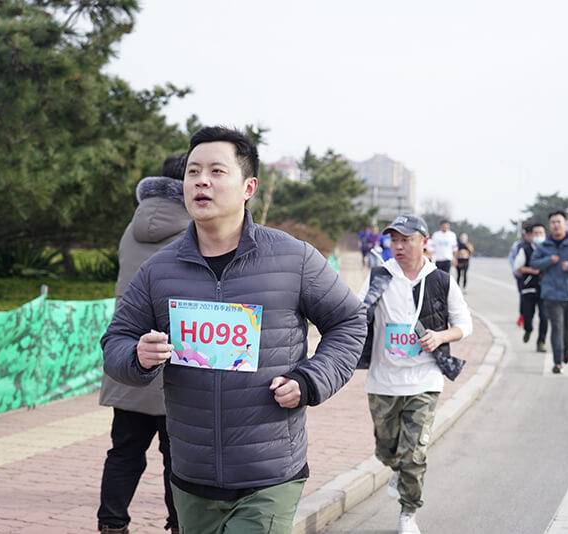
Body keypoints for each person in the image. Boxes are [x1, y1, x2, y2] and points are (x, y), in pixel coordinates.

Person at [101, 126, 366, 533]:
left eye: (216, 171)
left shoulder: (292, 259)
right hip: (191, 476)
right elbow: (115, 342)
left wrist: (311, 380)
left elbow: (349, 322)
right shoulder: (160, 269)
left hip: (269, 473)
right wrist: (136, 356)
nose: (201, 181)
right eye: (192, 172)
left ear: (249, 187)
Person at [357, 214, 472, 534]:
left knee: (415, 452)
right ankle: (398, 469)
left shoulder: (440, 280)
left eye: (406, 240)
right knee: (386, 450)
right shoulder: (380, 276)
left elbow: (466, 324)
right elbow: (355, 315)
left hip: (424, 378)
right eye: (394, 240)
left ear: (424, 241)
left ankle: (408, 513)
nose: (399, 246)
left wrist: (440, 337)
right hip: (383, 379)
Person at [97, 153, 191, 534]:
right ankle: (179, 524)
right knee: (179, 460)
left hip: (129, 357)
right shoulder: (194, 231)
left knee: (124, 452)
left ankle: (111, 524)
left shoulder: (130, 227)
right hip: (174, 360)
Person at [530, 210, 568, 374]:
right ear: (550, 226)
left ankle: (566, 349)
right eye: (553, 222)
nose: (556, 225)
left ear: (566, 224)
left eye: (559, 222)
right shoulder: (544, 246)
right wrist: (549, 260)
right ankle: (557, 362)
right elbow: (534, 263)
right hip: (551, 295)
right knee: (556, 328)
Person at [512, 223, 548, 353]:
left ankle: (541, 341)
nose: (538, 235)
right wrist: (532, 270)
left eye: (541, 233)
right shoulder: (525, 249)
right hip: (528, 288)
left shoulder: (548, 250)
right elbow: (517, 268)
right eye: (536, 233)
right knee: (528, 316)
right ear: (531, 235)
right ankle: (528, 330)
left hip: (545, 289)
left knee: (544, 316)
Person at [508, 225, 533, 327]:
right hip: (522, 276)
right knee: (523, 297)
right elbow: (512, 258)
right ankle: (522, 315)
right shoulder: (518, 245)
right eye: (529, 234)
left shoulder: (538, 245)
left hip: (535, 276)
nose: (531, 236)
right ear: (525, 234)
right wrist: (516, 271)